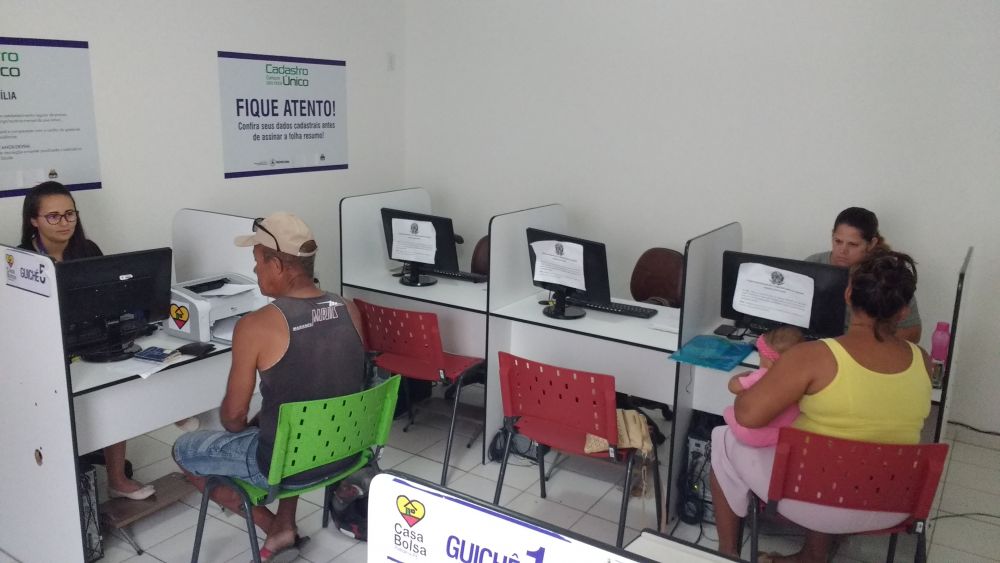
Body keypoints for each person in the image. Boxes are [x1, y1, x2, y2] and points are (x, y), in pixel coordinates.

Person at [710, 251, 932, 563]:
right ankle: (811, 556)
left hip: (816, 500)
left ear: (848, 294)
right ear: (903, 311)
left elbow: (747, 416)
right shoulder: (924, 360)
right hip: (892, 504)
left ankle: (726, 554)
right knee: (838, 446)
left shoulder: (813, 356)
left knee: (723, 437)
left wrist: (754, 382)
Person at [173, 212, 366, 562]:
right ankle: (284, 525)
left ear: (277, 265)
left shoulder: (256, 326)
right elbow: (336, 384)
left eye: (258, 261)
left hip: (285, 463)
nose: (255, 269)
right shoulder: (348, 308)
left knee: (183, 449)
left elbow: (233, 420)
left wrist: (249, 423)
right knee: (290, 430)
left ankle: (270, 524)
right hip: (345, 451)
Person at [19, 181, 154, 500]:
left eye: (70, 214)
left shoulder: (87, 250)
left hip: (91, 342)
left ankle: (117, 479)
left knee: (118, 389)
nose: (64, 222)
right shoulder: (22, 262)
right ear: (34, 220)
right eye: (53, 216)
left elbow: (109, 299)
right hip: (44, 353)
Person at [806, 207, 921, 342]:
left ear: (872, 244)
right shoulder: (812, 265)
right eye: (838, 241)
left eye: (853, 244)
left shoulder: (887, 274)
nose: (843, 251)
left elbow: (911, 332)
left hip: (868, 348)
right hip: (814, 344)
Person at [722, 326, 804, 447]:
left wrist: (742, 375)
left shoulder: (762, 375)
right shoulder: (799, 377)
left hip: (756, 435)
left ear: (769, 360)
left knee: (728, 411)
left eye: (760, 357)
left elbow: (733, 387)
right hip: (787, 429)